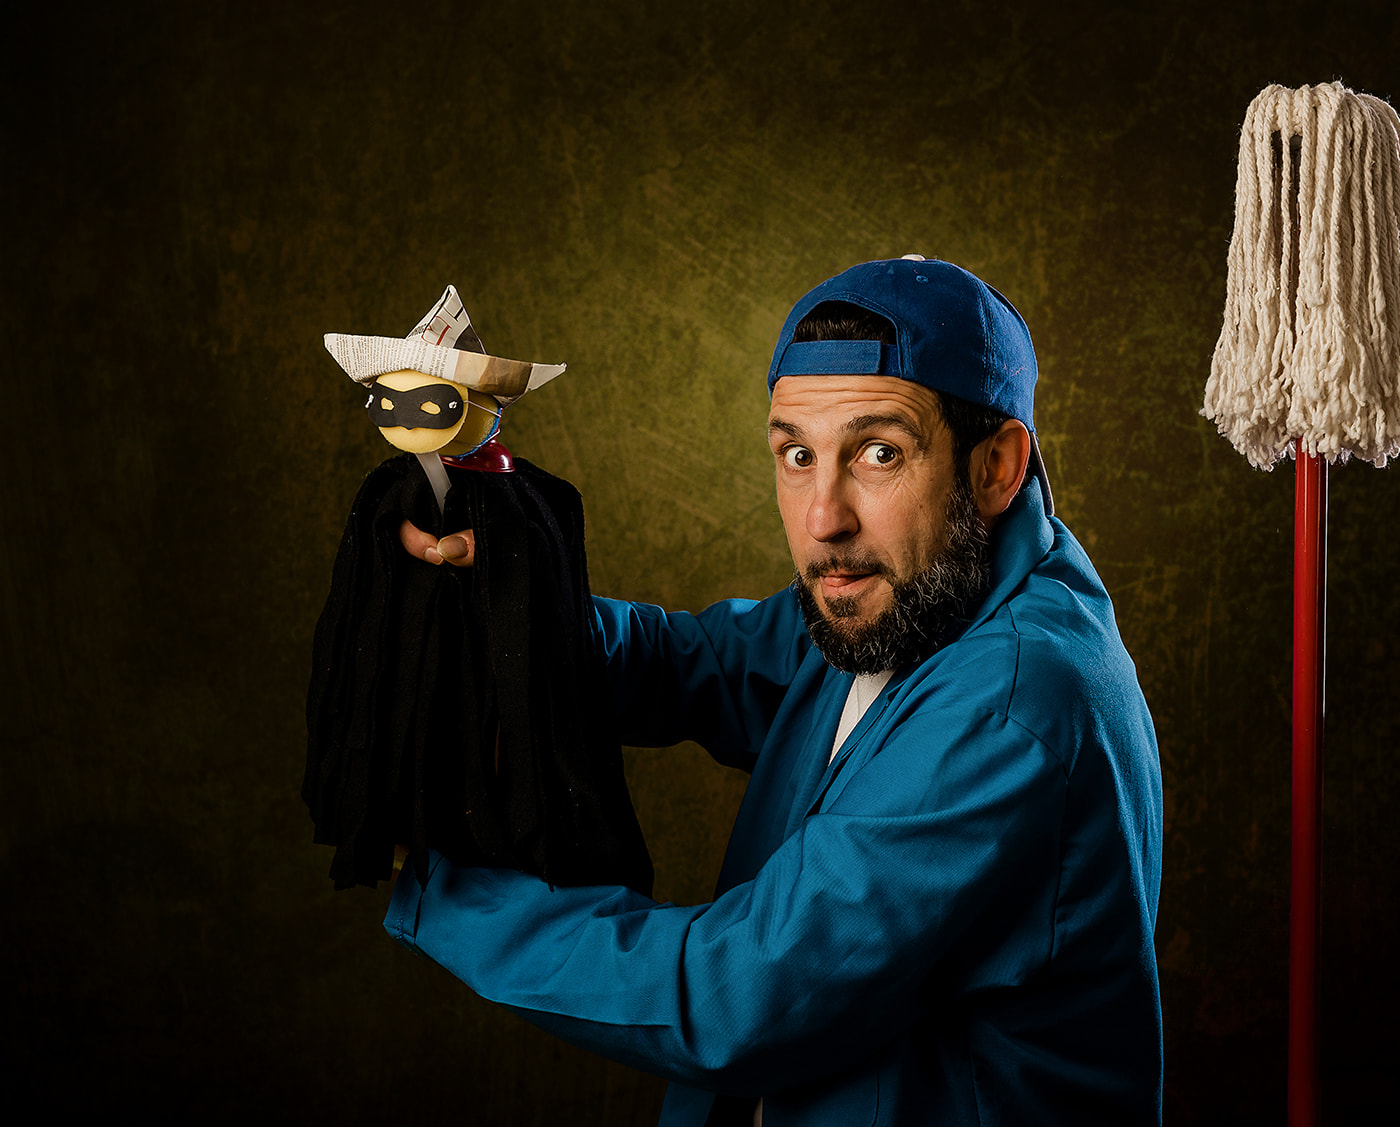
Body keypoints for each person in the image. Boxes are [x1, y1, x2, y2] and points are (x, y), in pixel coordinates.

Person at [389, 256, 1164, 1125]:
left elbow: (740, 998)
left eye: (879, 452)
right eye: (797, 454)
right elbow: (701, 663)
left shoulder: (1012, 708)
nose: (823, 517)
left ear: (995, 467)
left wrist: (442, 884)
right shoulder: (905, 593)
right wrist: (499, 609)